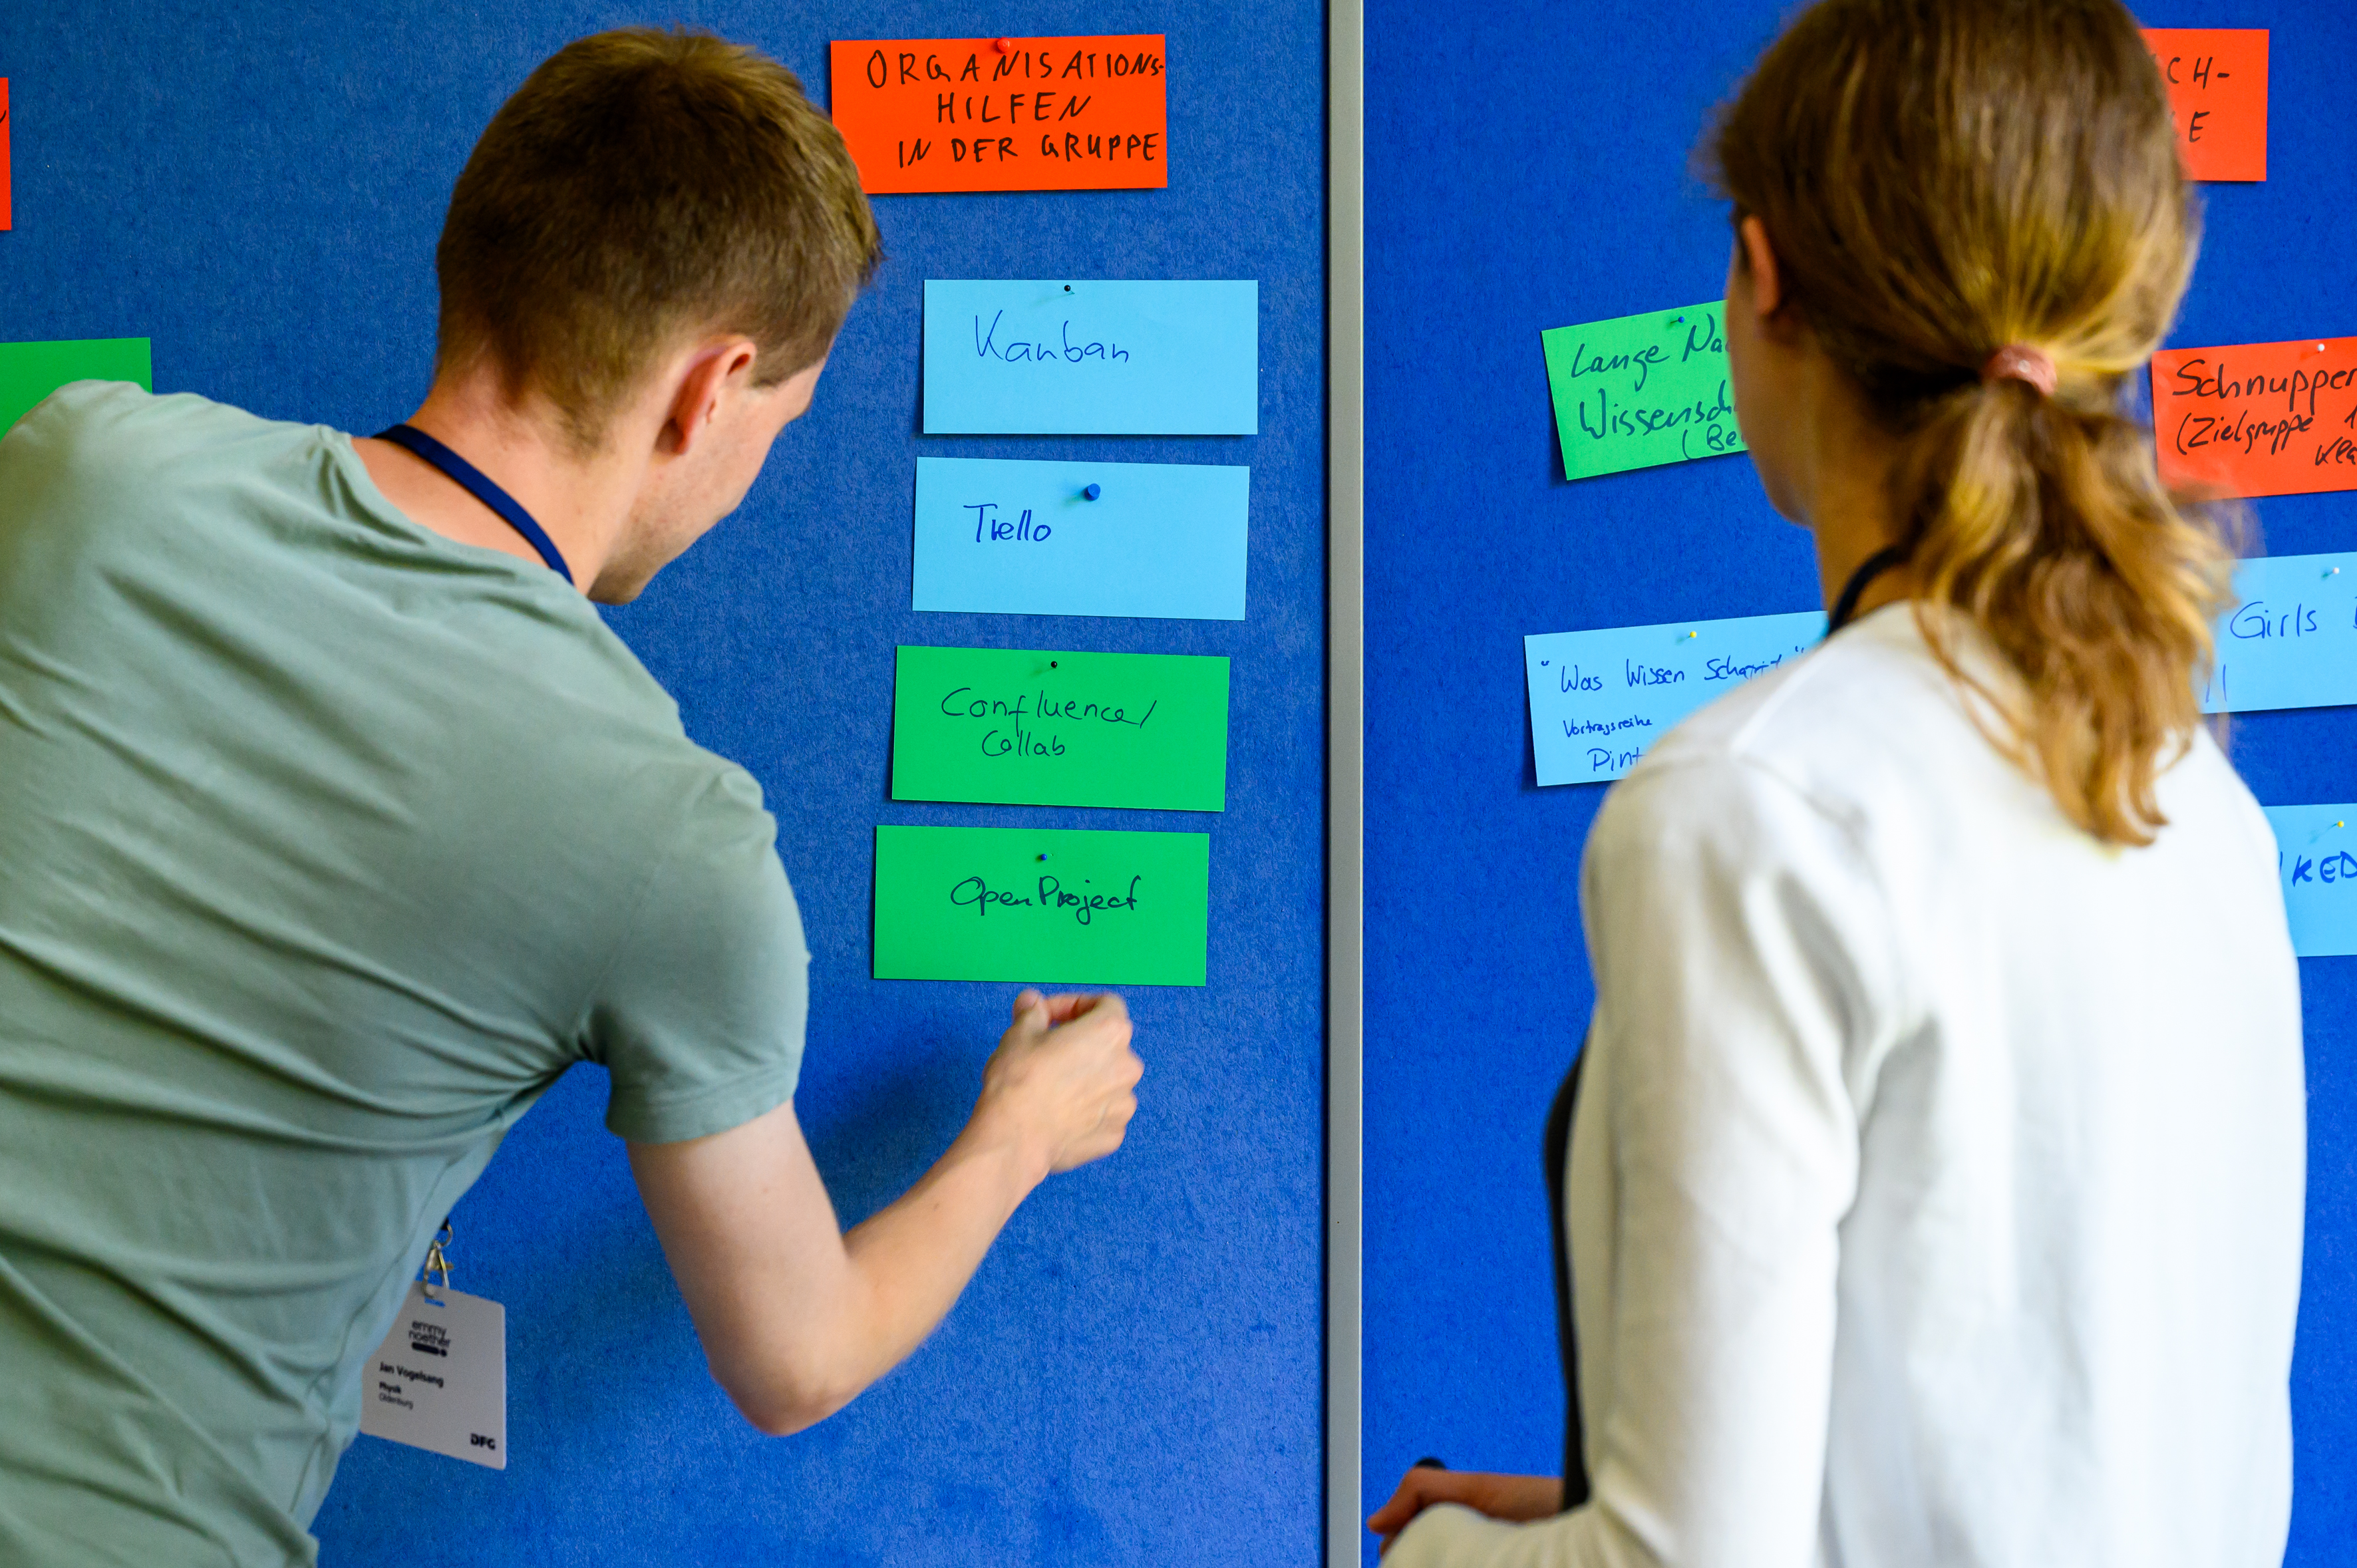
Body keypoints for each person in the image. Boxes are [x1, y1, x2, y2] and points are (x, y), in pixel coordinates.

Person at [0, 28, 1143, 1567]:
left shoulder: (83, 465)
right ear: (711, 388)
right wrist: (1019, 1134)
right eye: (776, 433)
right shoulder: (674, 836)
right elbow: (794, 1357)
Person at [1370, 0, 2304, 1562]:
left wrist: (1427, 1558)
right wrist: (1585, 1510)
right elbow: (2040, 1461)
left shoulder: (1749, 808)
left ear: (1760, 275)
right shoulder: (2195, 811)